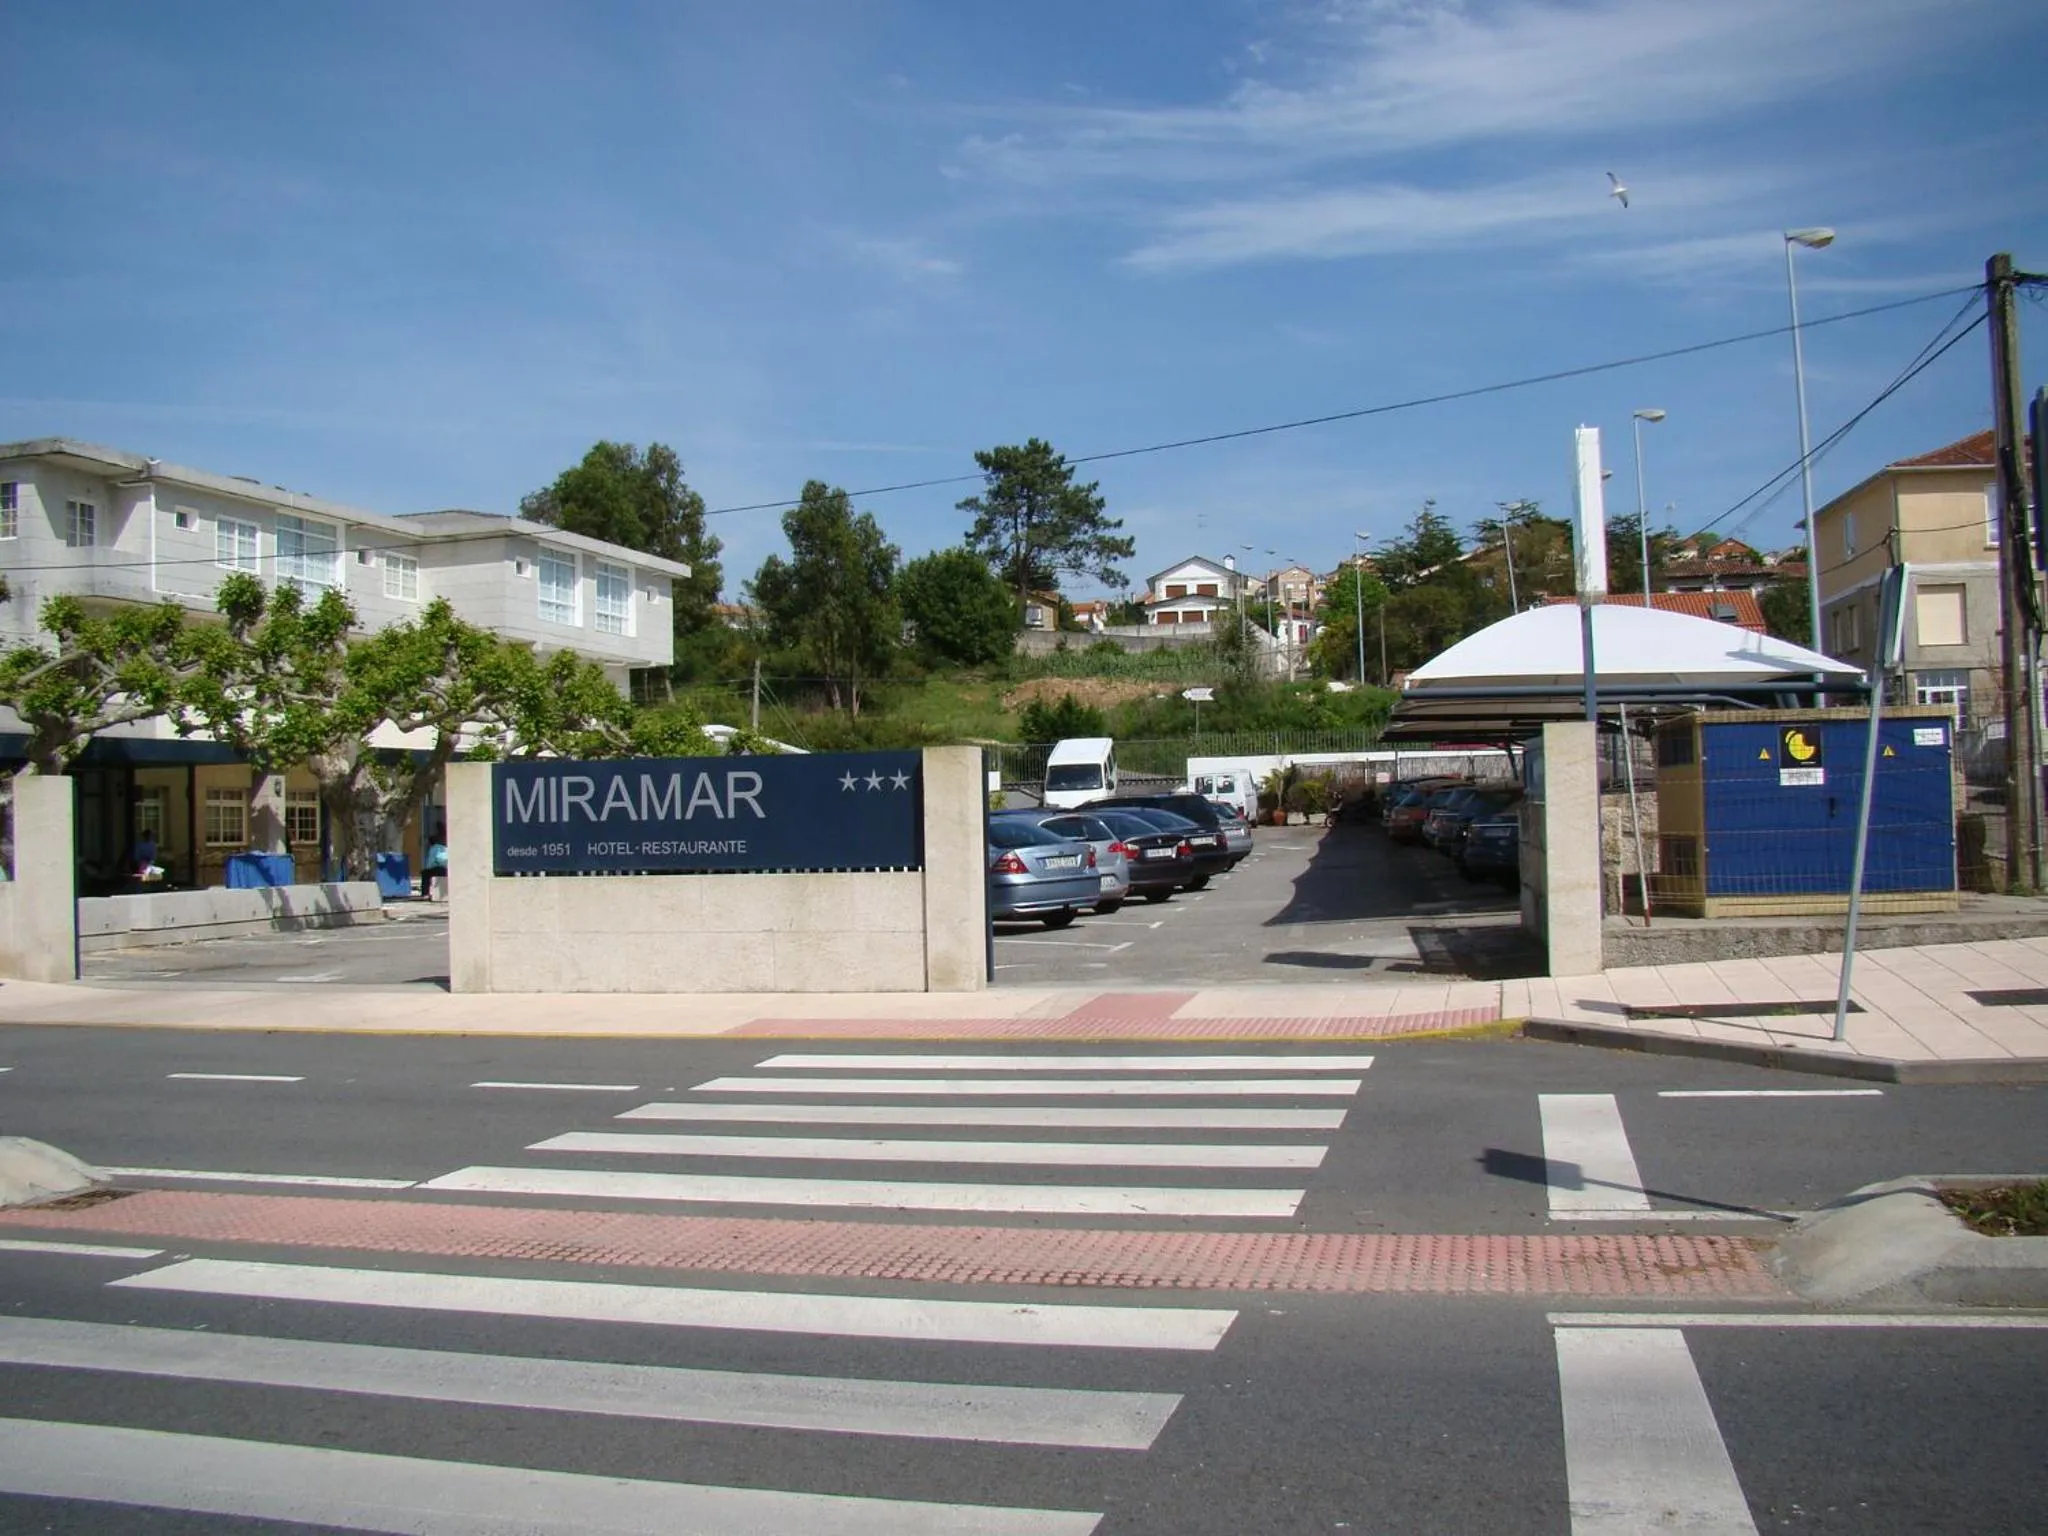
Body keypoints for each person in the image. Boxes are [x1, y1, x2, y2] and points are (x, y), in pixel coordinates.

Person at [419, 825, 449, 901]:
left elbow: (441, 859)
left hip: (440, 868)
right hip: (441, 868)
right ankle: (427, 893)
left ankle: (425, 893)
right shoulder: (441, 848)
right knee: (426, 873)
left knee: (425, 874)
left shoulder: (437, 847)